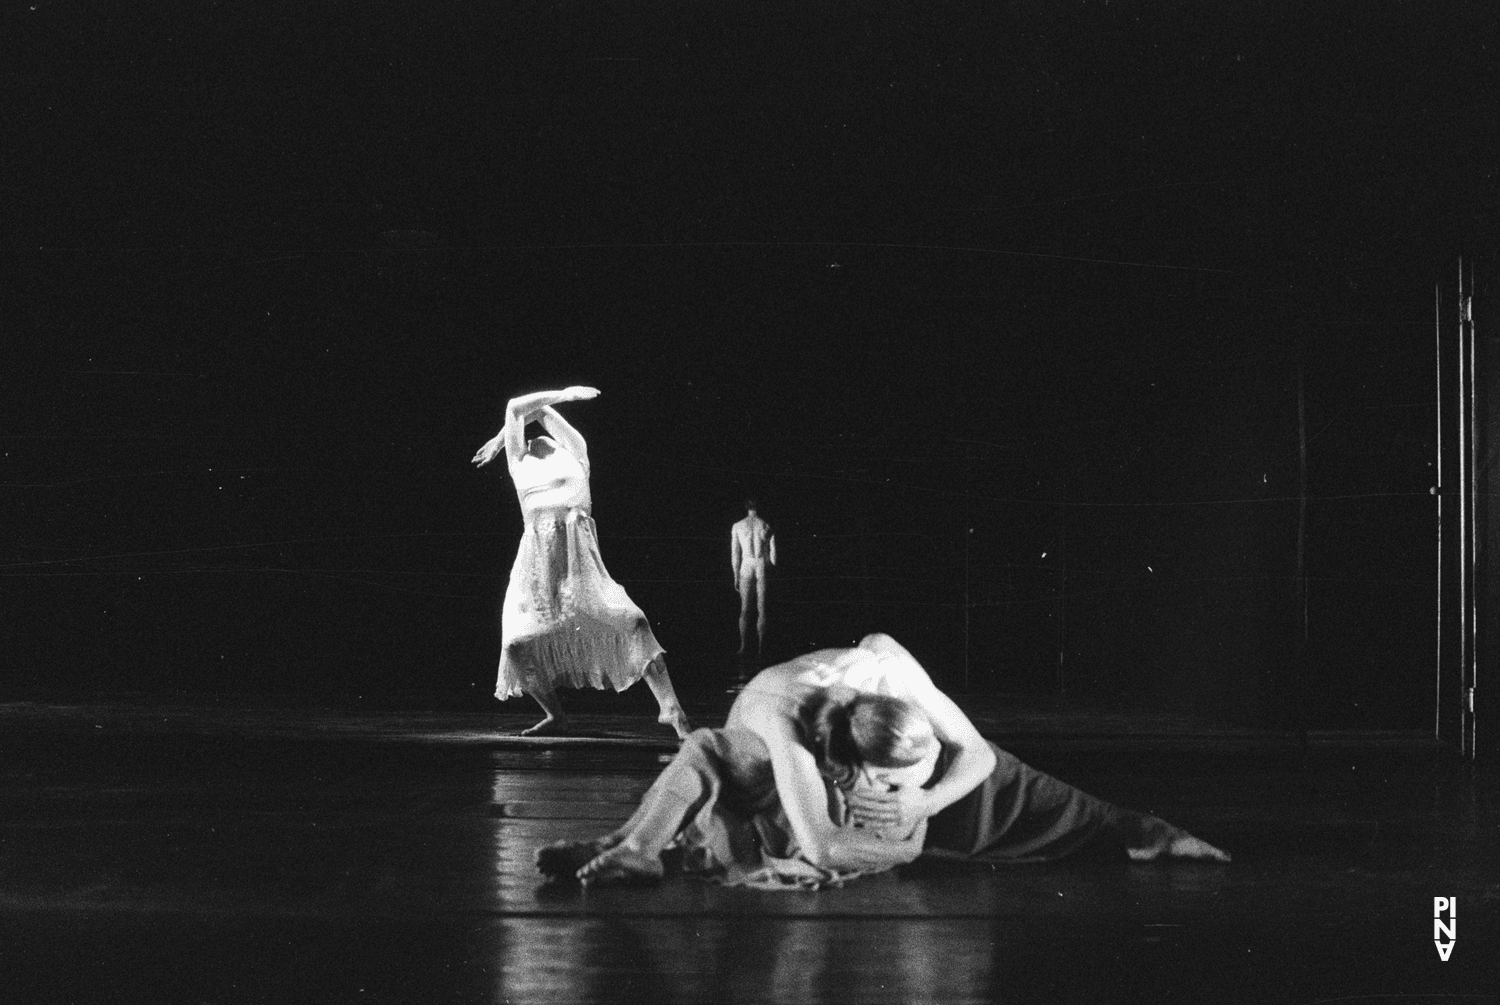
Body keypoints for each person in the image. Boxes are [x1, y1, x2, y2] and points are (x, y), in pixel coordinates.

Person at [536, 633, 1229, 888]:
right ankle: (634, 846)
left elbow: (976, 752)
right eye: (894, 780)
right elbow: (822, 844)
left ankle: (1142, 830)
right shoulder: (784, 724)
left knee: (1011, 782)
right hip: (768, 790)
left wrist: (924, 798)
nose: (909, 782)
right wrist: (906, 844)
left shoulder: (888, 665)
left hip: (858, 773)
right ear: (854, 769)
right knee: (710, 750)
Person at [472, 387, 690, 738]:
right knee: (515, 644)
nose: (536, 439)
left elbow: (536, 412)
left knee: (633, 622)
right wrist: (562, 397)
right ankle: (556, 716)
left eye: (546, 436)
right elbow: (516, 408)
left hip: (583, 570)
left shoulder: (577, 455)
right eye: (528, 439)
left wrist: (507, 434)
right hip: (537, 572)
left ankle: (672, 709)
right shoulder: (518, 465)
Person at [730, 500, 777, 655]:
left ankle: (743, 646)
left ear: (746, 508)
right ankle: (761, 647)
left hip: (746, 565)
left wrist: (735, 576)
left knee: (744, 609)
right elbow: (774, 559)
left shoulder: (737, 526)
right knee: (761, 609)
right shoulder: (766, 526)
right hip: (761, 565)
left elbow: (735, 554)